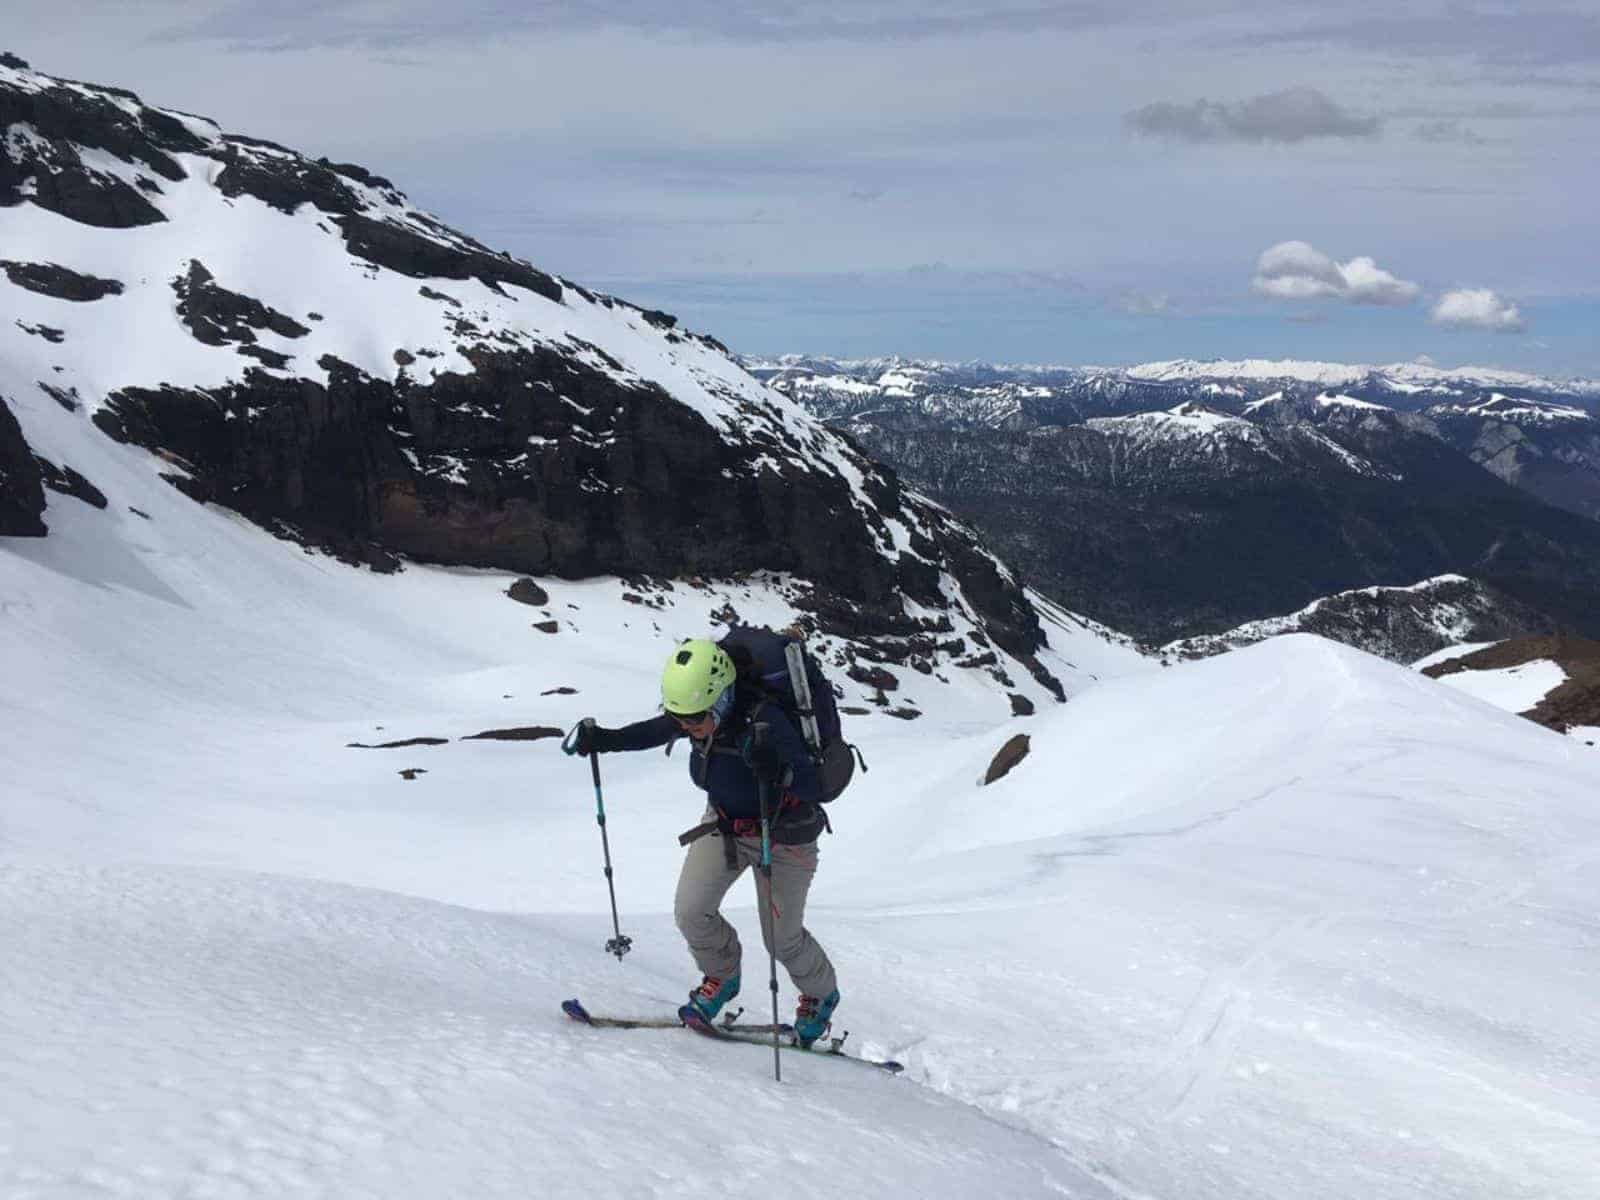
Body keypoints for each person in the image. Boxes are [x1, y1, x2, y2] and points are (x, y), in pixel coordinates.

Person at [566, 637, 841, 1046]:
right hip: (725, 826)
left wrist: (776, 770)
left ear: (721, 698)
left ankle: (821, 996)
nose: (687, 727)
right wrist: (605, 739)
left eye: (694, 719)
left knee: (781, 938)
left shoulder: (767, 720)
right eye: (681, 718)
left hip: (784, 836)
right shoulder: (697, 714)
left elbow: (817, 785)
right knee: (691, 911)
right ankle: (723, 977)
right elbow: (654, 731)